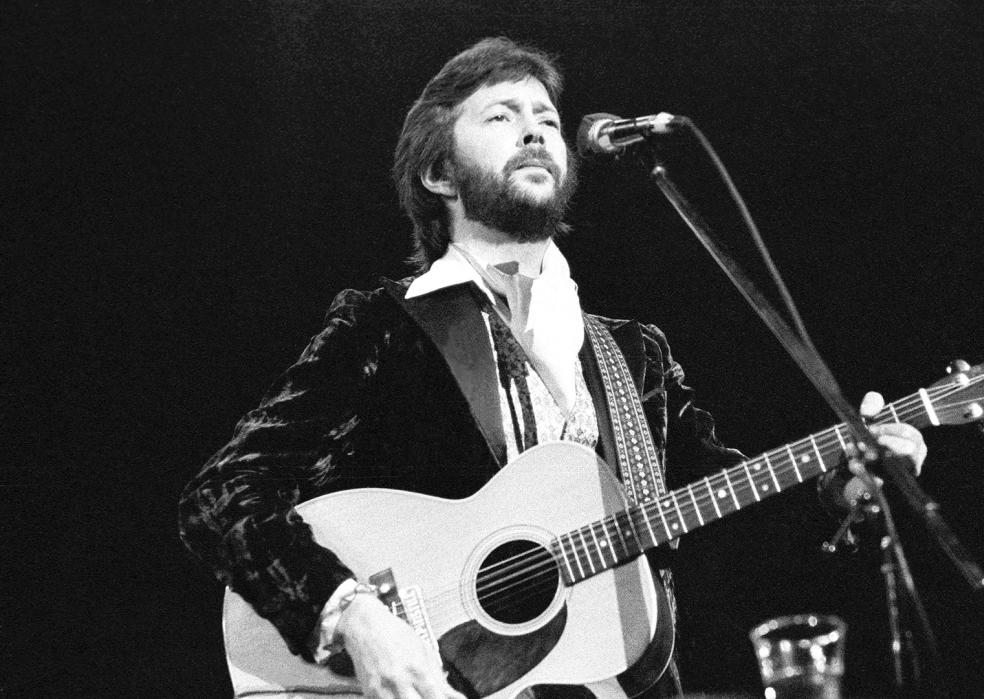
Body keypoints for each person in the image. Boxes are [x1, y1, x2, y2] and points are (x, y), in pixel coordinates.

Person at [179, 37, 926, 699]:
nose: (536, 128)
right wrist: (354, 614)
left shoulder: (634, 353)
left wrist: (843, 485)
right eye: (501, 116)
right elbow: (222, 496)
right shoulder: (382, 327)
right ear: (440, 172)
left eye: (544, 117)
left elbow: (731, 516)